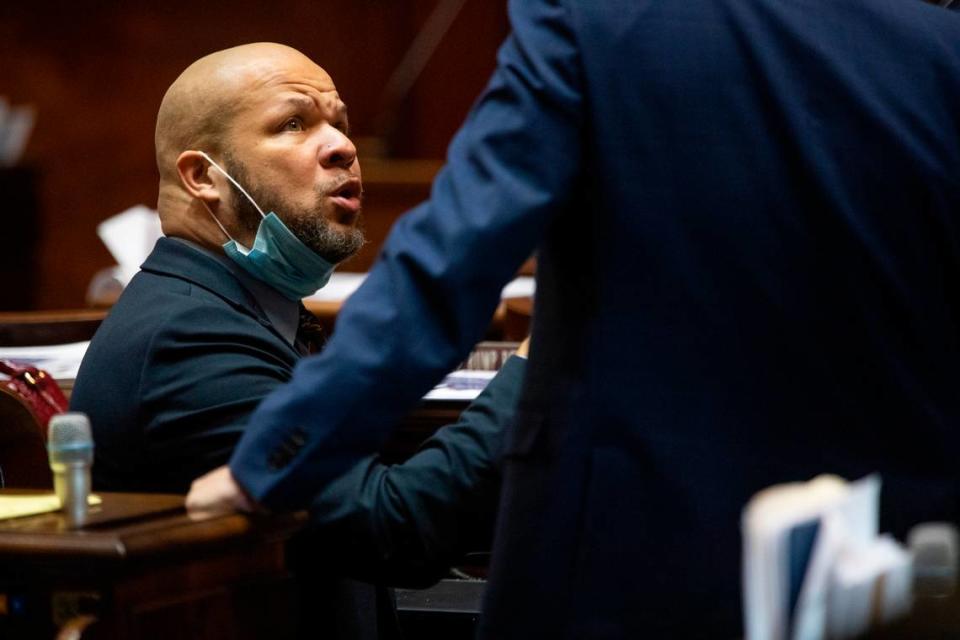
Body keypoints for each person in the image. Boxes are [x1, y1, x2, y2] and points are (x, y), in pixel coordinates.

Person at [188, 1, 960, 637]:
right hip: (898, 551)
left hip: (638, 558)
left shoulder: (594, 21)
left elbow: (449, 262)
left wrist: (277, 455)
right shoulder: (937, 45)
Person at [70, 42, 528, 639]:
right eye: (294, 123)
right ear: (204, 176)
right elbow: (393, 532)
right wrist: (538, 364)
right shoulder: (186, 339)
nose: (343, 146)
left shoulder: (245, 310)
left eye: (339, 123)